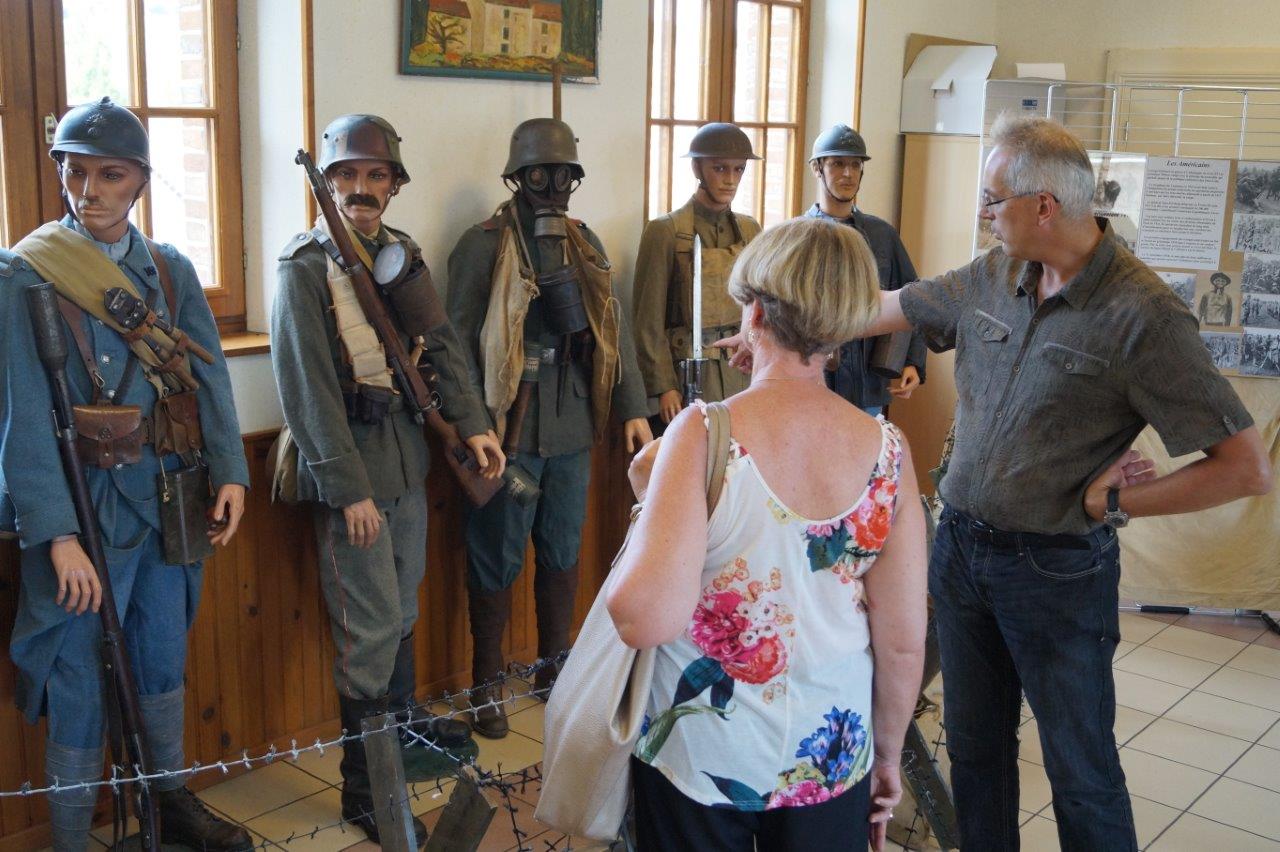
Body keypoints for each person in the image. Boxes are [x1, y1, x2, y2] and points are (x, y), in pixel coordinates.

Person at [719, 113, 1272, 851]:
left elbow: (1244, 467)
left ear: (1045, 205)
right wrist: (772, 338)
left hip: (1057, 572)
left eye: (993, 198)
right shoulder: (995, 272)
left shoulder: (1143, 315)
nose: (983, 212)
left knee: (1081, 771)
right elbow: (882, 310)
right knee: (976, 757)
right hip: (963, 555)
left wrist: (1117, 500)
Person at [608, 217, 928, 852]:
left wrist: (652, 495)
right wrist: (886, 756)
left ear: (752, 311)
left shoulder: (702, 432)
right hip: (829, 748)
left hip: (702, 752)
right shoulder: (889, 449)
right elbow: (901, 639)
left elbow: (642, 618)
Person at [0, 97, 251, 851]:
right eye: (77, 172)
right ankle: (73, 839)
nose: (90, 190)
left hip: (169, 503)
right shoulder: (25, 274)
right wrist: (57, 537)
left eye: (110, 175)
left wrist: (232, 472)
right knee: (77, 678)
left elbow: (209, 387)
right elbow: (18, 419)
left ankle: (167, 809)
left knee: (160, 659)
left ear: (140, 180)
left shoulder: (169, 275)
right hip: (83, 515)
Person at [271, 113, 503, 844]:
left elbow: (442, 348)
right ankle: (365, 792)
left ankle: (398, 749)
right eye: (346, 177)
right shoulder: (305, 268)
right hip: (356, 476)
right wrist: (349, 491)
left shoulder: (399, 256)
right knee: (368, 631)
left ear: (394, 186)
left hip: (406, 458)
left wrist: (474, 424)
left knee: (400, 611)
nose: (360, 191)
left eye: (375, 177)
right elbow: (306, 389)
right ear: (328, 184)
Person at [447, 117, 653, 738]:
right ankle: (487, 682)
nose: (554, 186)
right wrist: (474, 427)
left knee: (563, 550)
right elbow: (452, 343)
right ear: (518, 177)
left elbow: (612, 335)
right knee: (496, 555)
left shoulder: (585, 246)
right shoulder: (483, 246)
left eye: (565, 174)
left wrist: (633, 408)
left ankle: (552, 664)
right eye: (542, 174)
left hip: (570, 426)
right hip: (507, 428)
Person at [631, 123, 763, 432]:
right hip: (687, 379)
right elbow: (647, 322)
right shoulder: (665, 232)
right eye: (719, 168)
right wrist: (664, 386)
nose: (730, 179)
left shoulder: (749, 231)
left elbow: (761, 308)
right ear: (697, 167)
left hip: (741, 375)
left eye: (738, 169)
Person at [803, 124, 926, 417]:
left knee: (869, 460)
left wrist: (913, 361)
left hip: (869, 379)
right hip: (813, 380)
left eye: (855, 165)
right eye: (838, 164)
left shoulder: (881, 234)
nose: (848, 173)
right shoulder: (797, 237)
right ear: (817, 168)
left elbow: (913, 297)